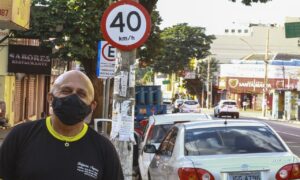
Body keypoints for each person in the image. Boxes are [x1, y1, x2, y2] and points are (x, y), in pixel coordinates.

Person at [0, 70, 124, 180]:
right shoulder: (21, 136)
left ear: (92, 106)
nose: (73, 97)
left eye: (81, 94)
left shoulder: (104, 150)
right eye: (66, 91)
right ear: (50, 98)